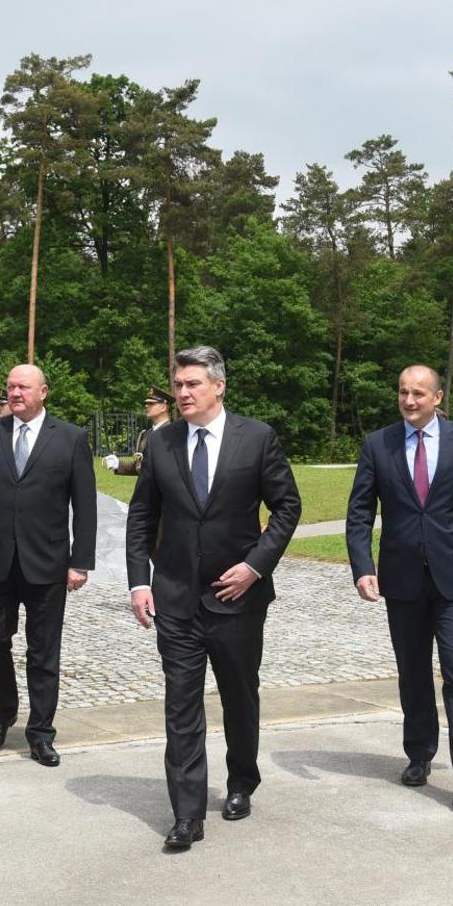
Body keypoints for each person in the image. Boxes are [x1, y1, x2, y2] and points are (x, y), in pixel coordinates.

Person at [126, 346, 302, 850]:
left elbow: (287, 508)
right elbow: (141, 518)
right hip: (176, 598)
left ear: (218, 386)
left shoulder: (257, 438)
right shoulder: (161, 444)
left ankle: (242, 780)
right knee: (181, 705)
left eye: (191, 384)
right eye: (178, 384)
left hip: (237, 600)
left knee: (239, 698)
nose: (181, 392)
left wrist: (254, 566)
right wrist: (140, 581)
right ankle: (186, 814)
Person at [345, 365, 453, 810]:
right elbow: (360, 511)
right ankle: (419, 754)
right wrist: (362, 565)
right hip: (401, 579)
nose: (409, 400)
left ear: (438, 397)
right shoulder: (377, 444)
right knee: (414, 672)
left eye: (419, 393)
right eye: (403, 392)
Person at [0, 363, 97, 766]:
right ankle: (4, 710)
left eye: (23, 387)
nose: (15, 393)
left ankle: (41, 733)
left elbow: (85, 505)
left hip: (47, 563)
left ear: (43, 392)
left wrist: (80, 561)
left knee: (43, 652)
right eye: (11, 386)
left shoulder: (69, 438)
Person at [107, 385, 173, 476]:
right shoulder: (146, 434)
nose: (147, 406)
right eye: (147, 403)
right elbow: (140, 466)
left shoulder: (172, 434)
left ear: (163, 407)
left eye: (152, 404)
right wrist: (118, 464)